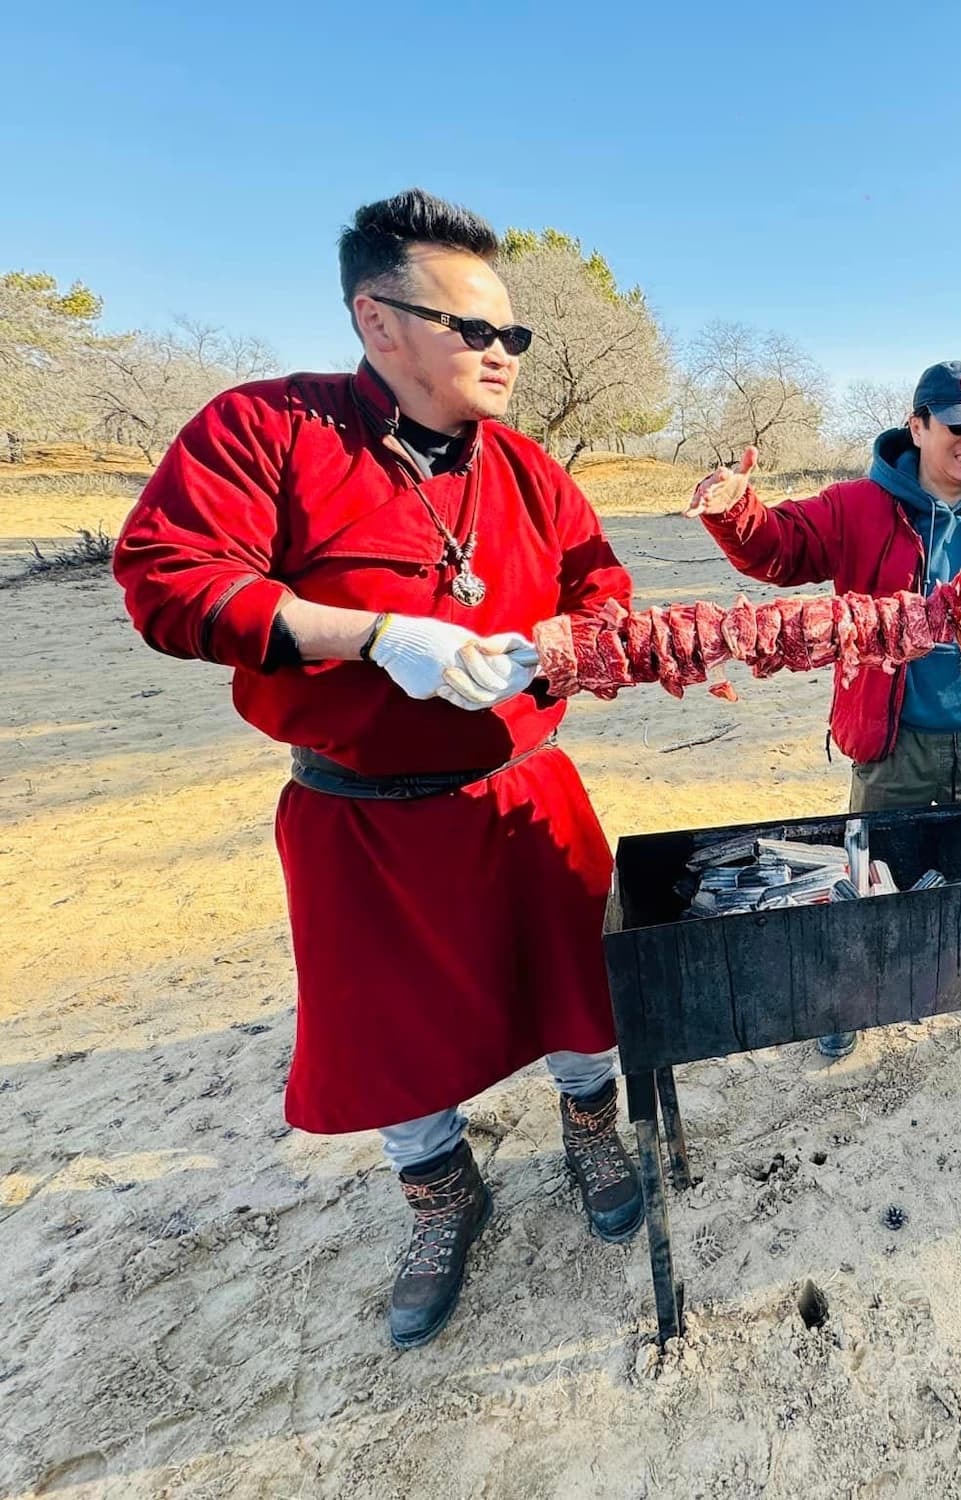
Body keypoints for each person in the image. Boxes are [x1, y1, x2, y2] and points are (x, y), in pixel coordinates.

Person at [112, 190, 643, 1350]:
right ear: (379, 319)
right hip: (361, 811)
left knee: (576, 987)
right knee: (392, 1031)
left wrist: (558, 646)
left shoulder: (527, 471)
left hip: (520, 788)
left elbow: (601, 584)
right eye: (477, 331)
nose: (503, 356)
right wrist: (369, 634)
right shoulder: (268, 429)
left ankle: (592, 1129)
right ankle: (443, 1194)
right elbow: (166, 576)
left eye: (517, 337)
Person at [689, 362, 961, 1055]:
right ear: (918, 425)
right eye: (958, 426)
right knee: (870, 869)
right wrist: (736, 510)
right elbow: (781, 549)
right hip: (892, 737)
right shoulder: (857, 506)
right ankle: (852, 994)